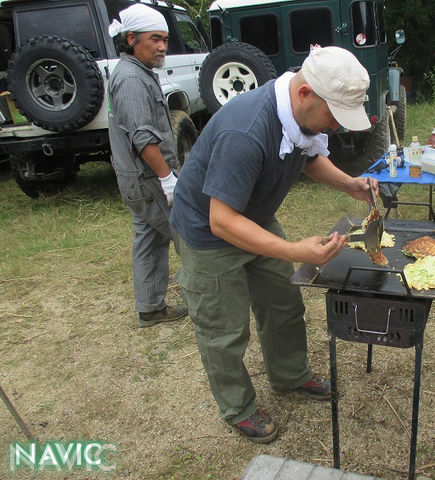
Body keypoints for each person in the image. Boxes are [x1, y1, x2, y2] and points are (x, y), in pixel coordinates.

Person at [170, 46, 378, 443]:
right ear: (305, 94)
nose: (335, 126)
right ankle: (238, 407)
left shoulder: (299, 116)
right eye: (333, 115)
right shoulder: (245, 131)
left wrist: (349, 184)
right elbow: (222, 221)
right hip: (207, 231)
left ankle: (291, 375)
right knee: (224, 328)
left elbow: (308, 155)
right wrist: (295, 251)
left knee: (283, 303)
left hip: (253, 217)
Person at [107, 3, 187, 328]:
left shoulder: (137, 73)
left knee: (149, 236)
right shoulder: (130, 79)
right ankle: (209, 295)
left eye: (165, 40)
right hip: (148, 178)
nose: (162, 47)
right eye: (155, 39)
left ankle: (150, 307)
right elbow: (142, 138)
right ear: (131, 38)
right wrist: (167, 179)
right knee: (187, 232)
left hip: (141, 177)